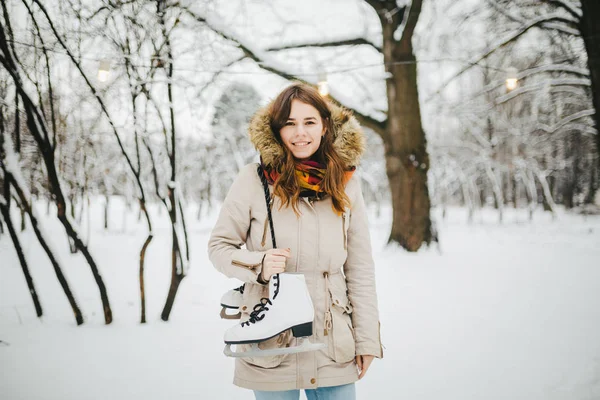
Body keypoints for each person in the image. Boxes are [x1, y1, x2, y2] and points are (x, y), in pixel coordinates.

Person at [208, 82, 383, 400]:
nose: (299, 132)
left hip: (332, 342)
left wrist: (367, 339)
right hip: (271, 341)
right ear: (276, 130)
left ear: (325, 126)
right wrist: (257, 263)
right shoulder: (253, 179)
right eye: (289, 123)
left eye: (309, 122)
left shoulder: (346, 183)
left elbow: (359, 269)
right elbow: (219, 247)